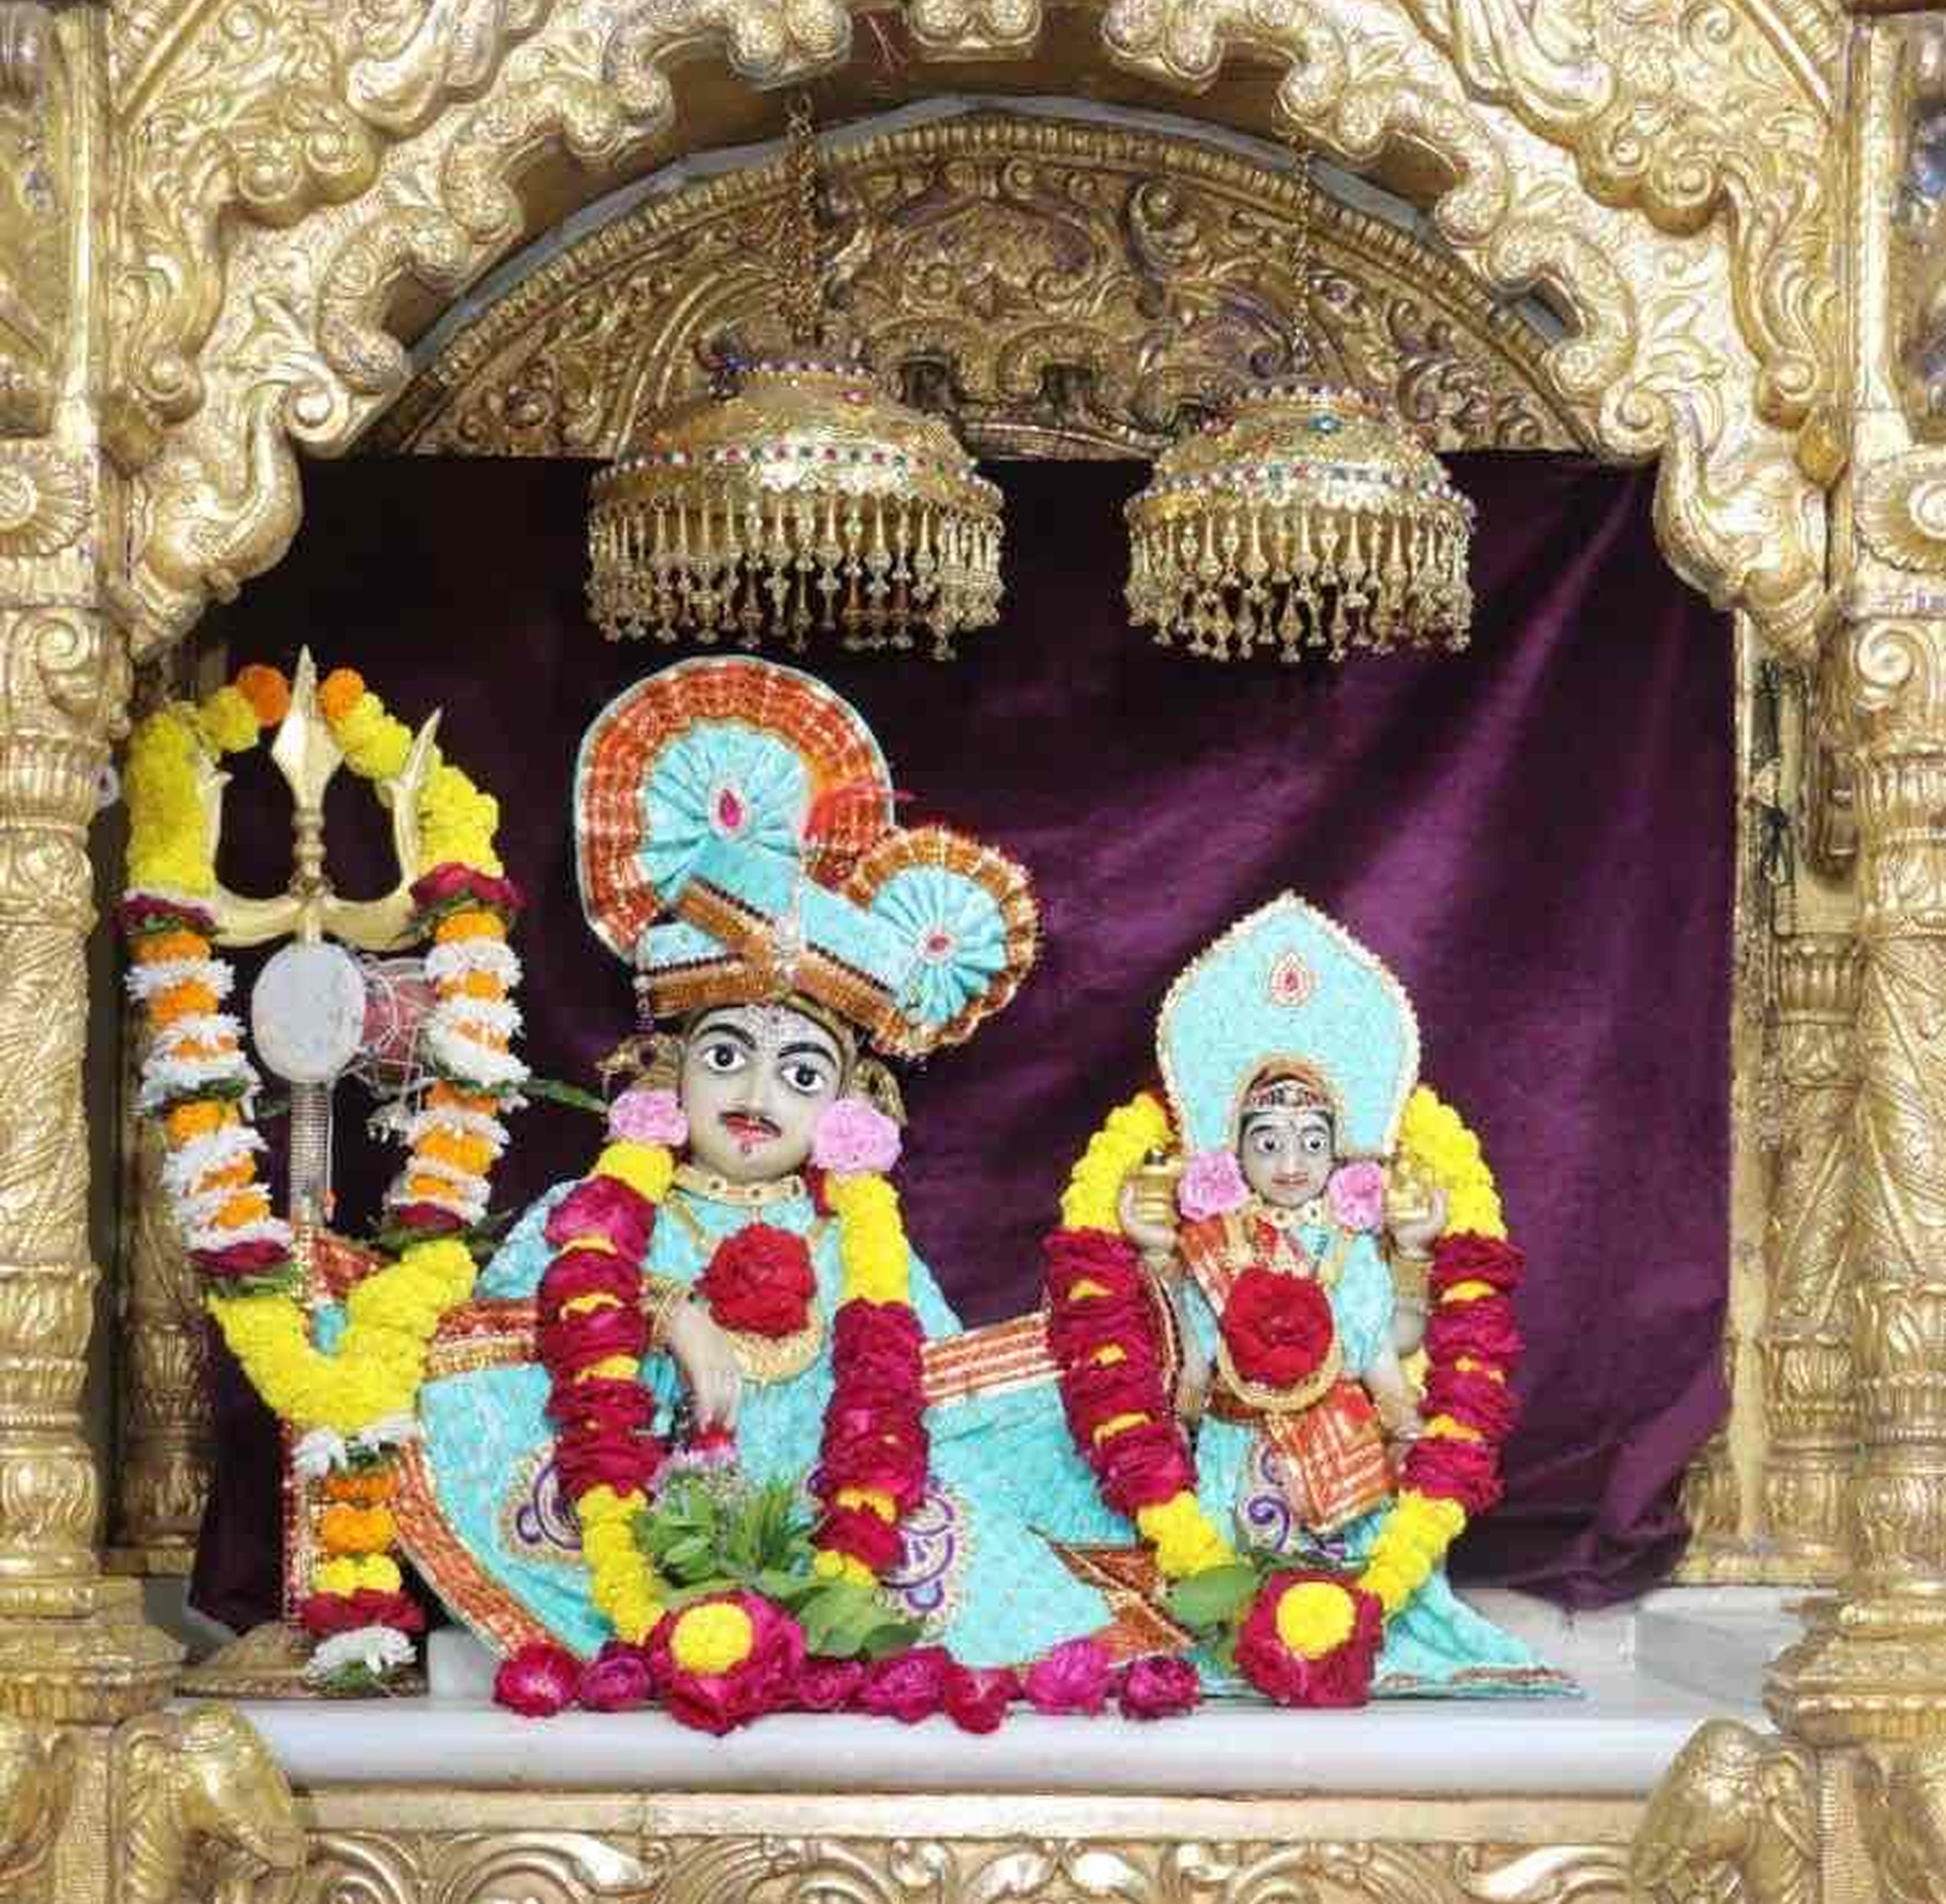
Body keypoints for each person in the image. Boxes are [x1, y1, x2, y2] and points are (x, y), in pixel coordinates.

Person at [398, 654, 1132, 1674]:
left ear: (845, 1107)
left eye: (801, 1073)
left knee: (957, 1543)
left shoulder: (859, 1239)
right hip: (643, 1538)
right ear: (670, 1068)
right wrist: (665, 1312)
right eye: (725, 1057)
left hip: (830, 1553)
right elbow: (489, 1347)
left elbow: (942, 1399)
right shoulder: (597, 1210)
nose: (755, 1095)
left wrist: (1124, 1337)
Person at [1050, 893, 1563, 1699]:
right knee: (1219, 1574)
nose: (1290, 1164)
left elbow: (1386, 1351)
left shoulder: (1350, 1243)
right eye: (1268, 1142)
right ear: (1233, 1154)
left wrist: (1414, 1419)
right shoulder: (1212, 1239)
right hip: (1232, 1450)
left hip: (1342, 1456)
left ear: (1338, 1152)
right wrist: (1169, 1422)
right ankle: (1237, 1621)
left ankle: (1348, 1616)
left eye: (1311, 1142)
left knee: (1345, 1561)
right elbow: (1188, 1357)